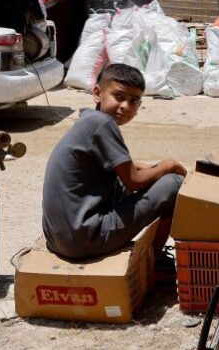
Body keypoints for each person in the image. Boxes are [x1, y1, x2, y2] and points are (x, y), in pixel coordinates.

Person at [42, 63, 186, 260]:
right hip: (84, 239)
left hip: (58, 240)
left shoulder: (89, 120)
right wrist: (168, 166)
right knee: (173, 185)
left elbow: (127, 167)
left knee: (131, 181)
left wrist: (156, 169)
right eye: (118, 96)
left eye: (134, 101)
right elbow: (133, 180)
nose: (125, 106)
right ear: (97, 93)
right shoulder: (103, 124)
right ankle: (154, 261)